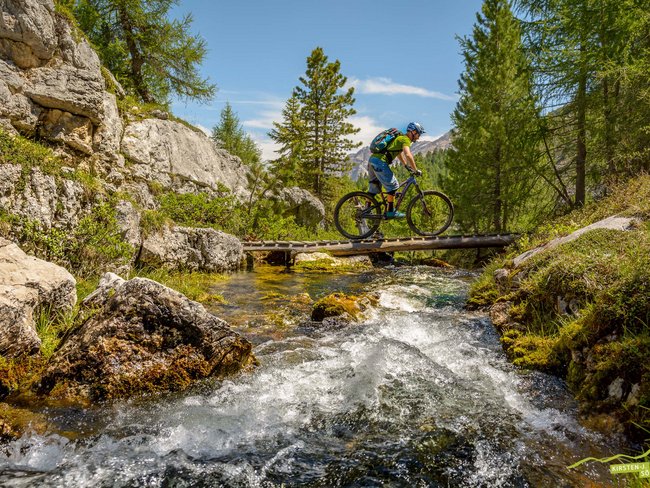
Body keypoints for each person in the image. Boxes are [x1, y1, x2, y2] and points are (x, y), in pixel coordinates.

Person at [368, 122, 424, 218]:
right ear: (413, 132)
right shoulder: (405, 139)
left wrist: (405, 165)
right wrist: (415, 170)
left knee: (374, 187)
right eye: (418, 134)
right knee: (393, 186)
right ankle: (390, 212)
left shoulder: (399, 138)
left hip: (372, 160)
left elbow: (398, 153)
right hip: (380, 162)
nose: (418, 137)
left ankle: (366, 209)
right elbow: (408, 154)